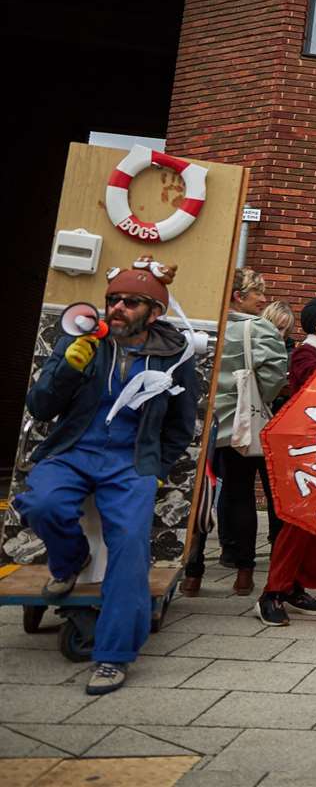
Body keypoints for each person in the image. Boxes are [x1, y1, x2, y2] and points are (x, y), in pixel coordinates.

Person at [17, 257, 196, 694]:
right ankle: (68, 560)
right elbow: (41, 408)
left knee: (131, 547)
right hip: (74, 448)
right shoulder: (82, 340)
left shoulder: (174, 355)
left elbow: (181, 424)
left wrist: (156, 468)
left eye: (130, 303)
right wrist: (66, 367)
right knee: (41, 502)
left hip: (130, 460)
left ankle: (113, 656)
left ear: (153, 313)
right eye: (113, 300)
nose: (116, 308)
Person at [181, 268, 289, 598]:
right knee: (240, 493)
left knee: (198, 497)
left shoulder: (202, 323)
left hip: (201, 422)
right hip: (240, 424)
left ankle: (193, 573)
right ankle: (244, 573)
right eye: (258, 292)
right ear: (239, 296)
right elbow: (275, 376)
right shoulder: (259, 329)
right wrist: (260, 396)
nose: (264, 298)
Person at [255, 295, 316, 626]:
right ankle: (272, 593)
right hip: (307, 453)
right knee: (298, 524)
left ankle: (295, 586)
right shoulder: (305, 355)